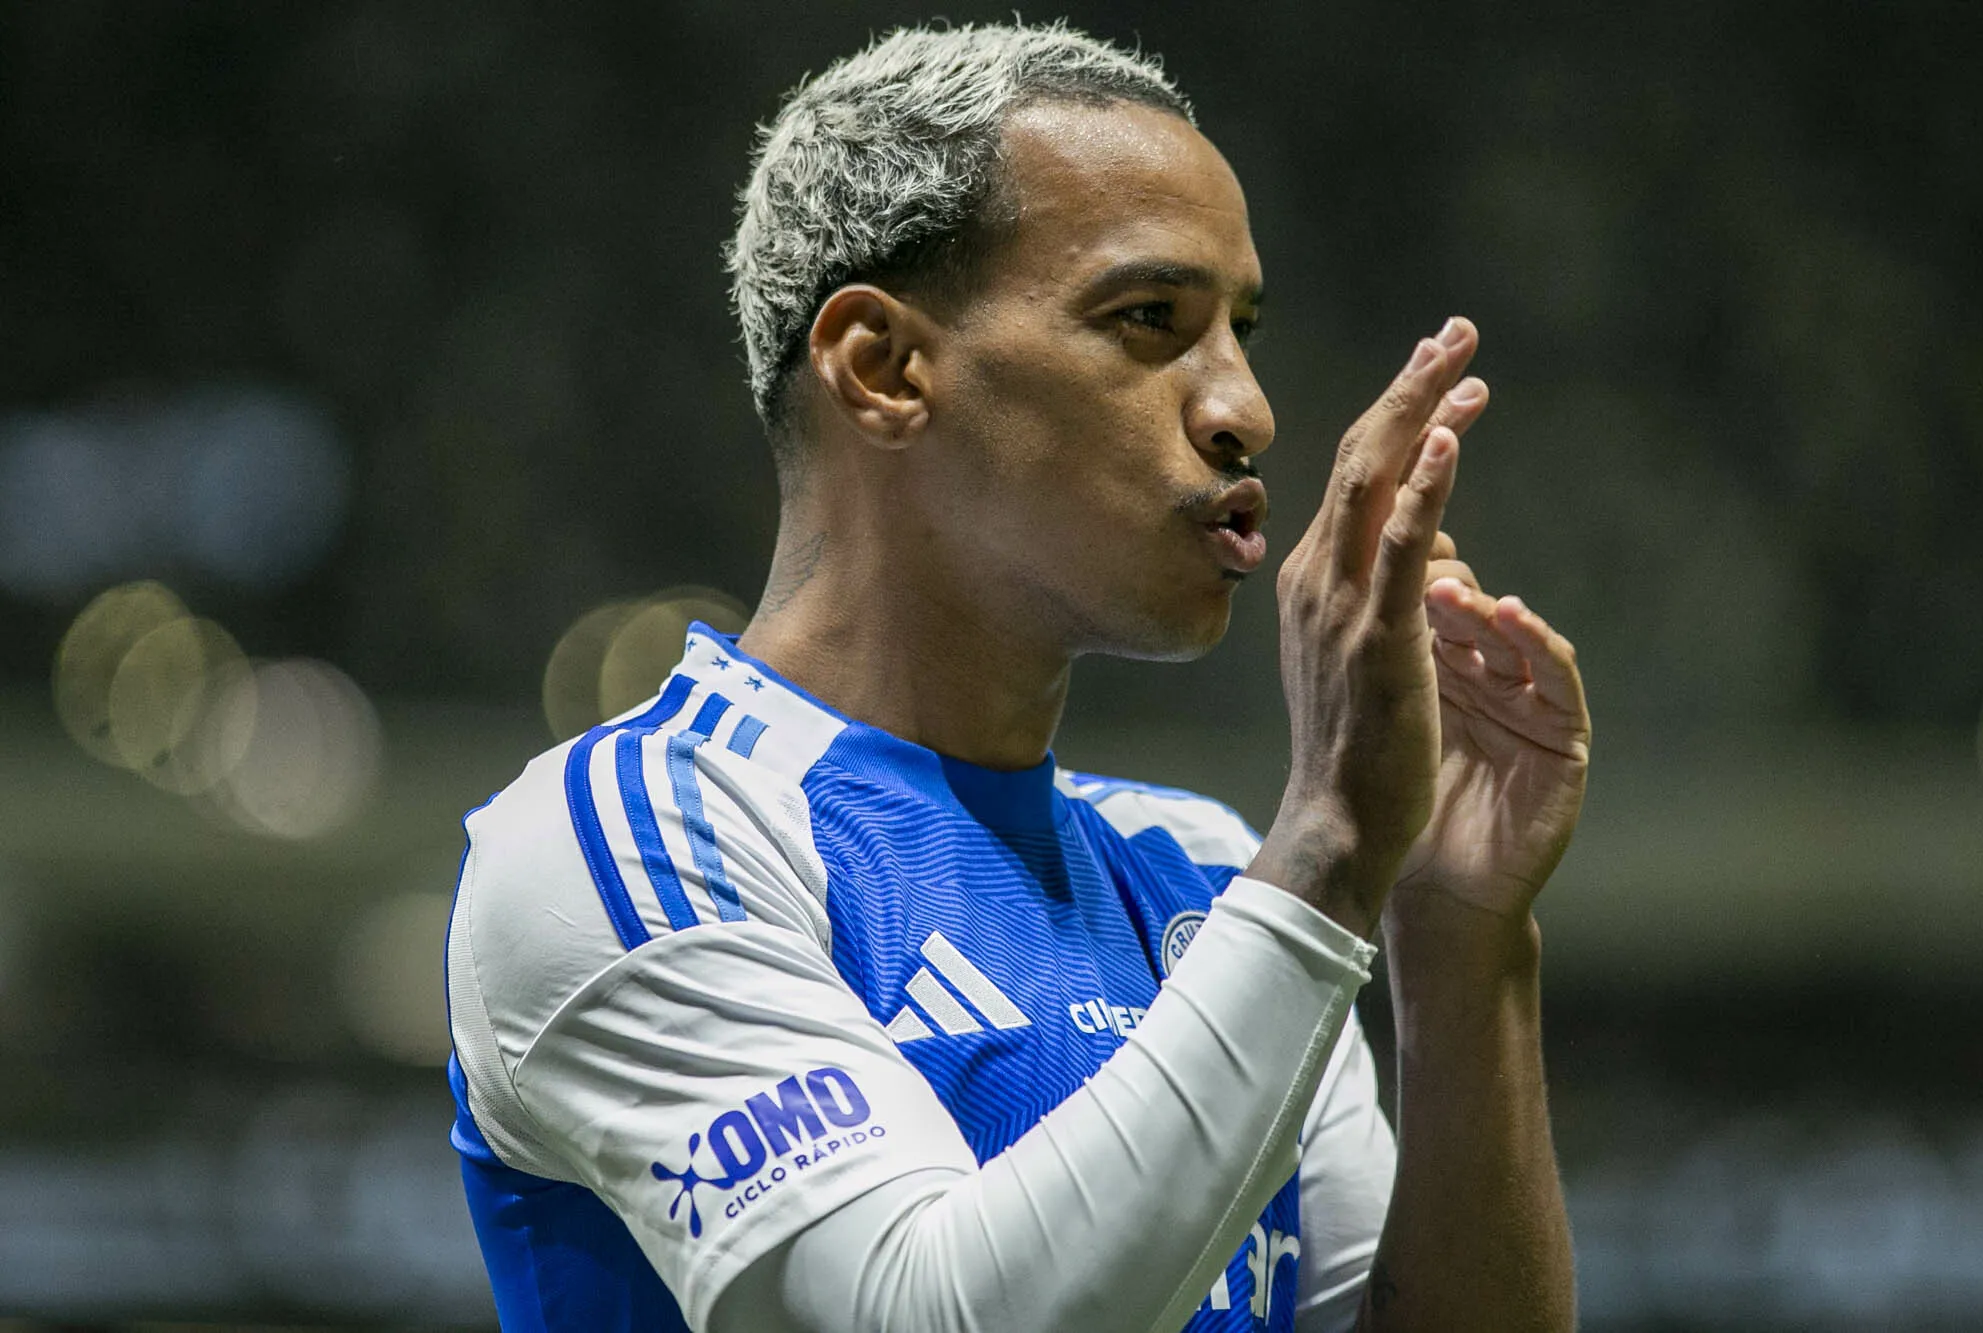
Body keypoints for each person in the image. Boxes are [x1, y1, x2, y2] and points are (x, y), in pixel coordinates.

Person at [445, 21, 1590, 1332]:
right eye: (1150, 319)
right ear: (884, 368)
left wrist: (1455, 937)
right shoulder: (630, 841)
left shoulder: (1206, 876)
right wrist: (1330, 847)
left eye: (1243, 329)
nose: (1247, 410)